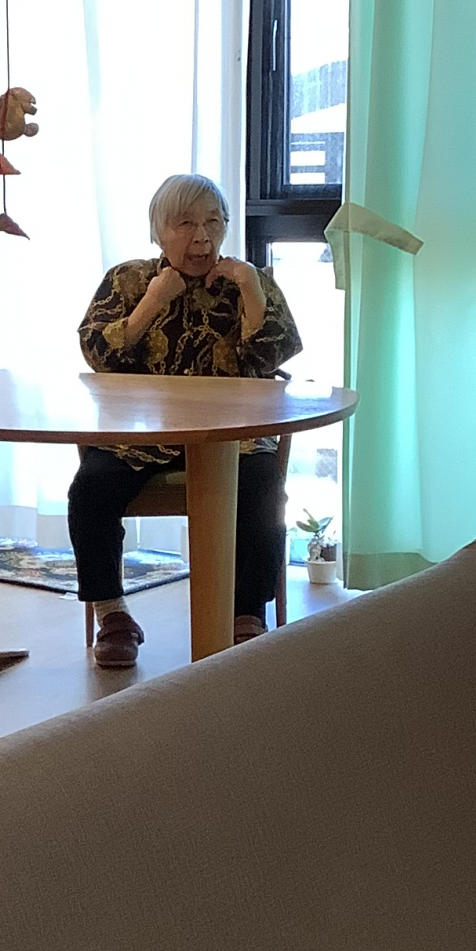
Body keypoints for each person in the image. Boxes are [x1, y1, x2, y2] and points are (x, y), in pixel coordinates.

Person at [71, 174, 301, 670]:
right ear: (158, 231)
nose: (202, 237)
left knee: (263, 483)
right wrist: (153, 300)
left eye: (213, 223)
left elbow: (273, 360)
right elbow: (98, 357)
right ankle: (113, 615)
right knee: (90, 489)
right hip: (141, 437)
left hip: (233, 438)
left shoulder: (250, 280)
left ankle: (246, 613)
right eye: (186, 224)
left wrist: (251, 290)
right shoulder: (127, 280)